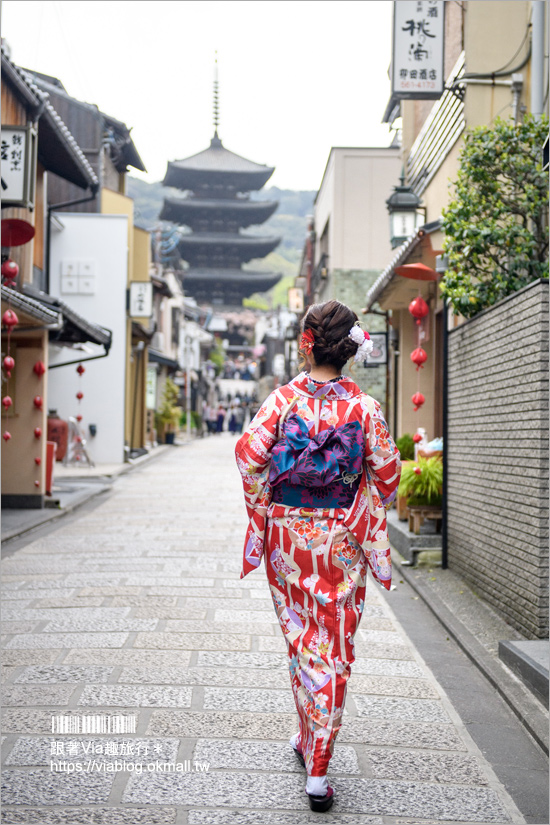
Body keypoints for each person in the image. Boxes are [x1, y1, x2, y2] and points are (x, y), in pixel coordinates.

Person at [235, 300, 401, 812]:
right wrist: (360, 499)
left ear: (306, 343)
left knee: (303, 638)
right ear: (350, 349)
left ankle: (313, 747)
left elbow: (249, 457)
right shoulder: (364, 409)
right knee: (334, 643)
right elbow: (390, 475)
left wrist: (269, 504)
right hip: (343, 538)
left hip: (288, 536)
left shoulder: (281, 401)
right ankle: (315, 754)